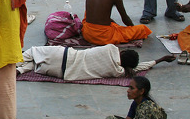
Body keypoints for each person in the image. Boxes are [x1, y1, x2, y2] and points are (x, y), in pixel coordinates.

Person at [17, 44, 175, 80]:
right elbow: (140, 68)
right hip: (61, 73)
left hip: (64, 55)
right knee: (36, 65)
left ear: (123, 52)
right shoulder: (118, 72)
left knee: (33, 51)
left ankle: (13, 63)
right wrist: (159, 60)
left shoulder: (111, 48)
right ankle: (21, 70)